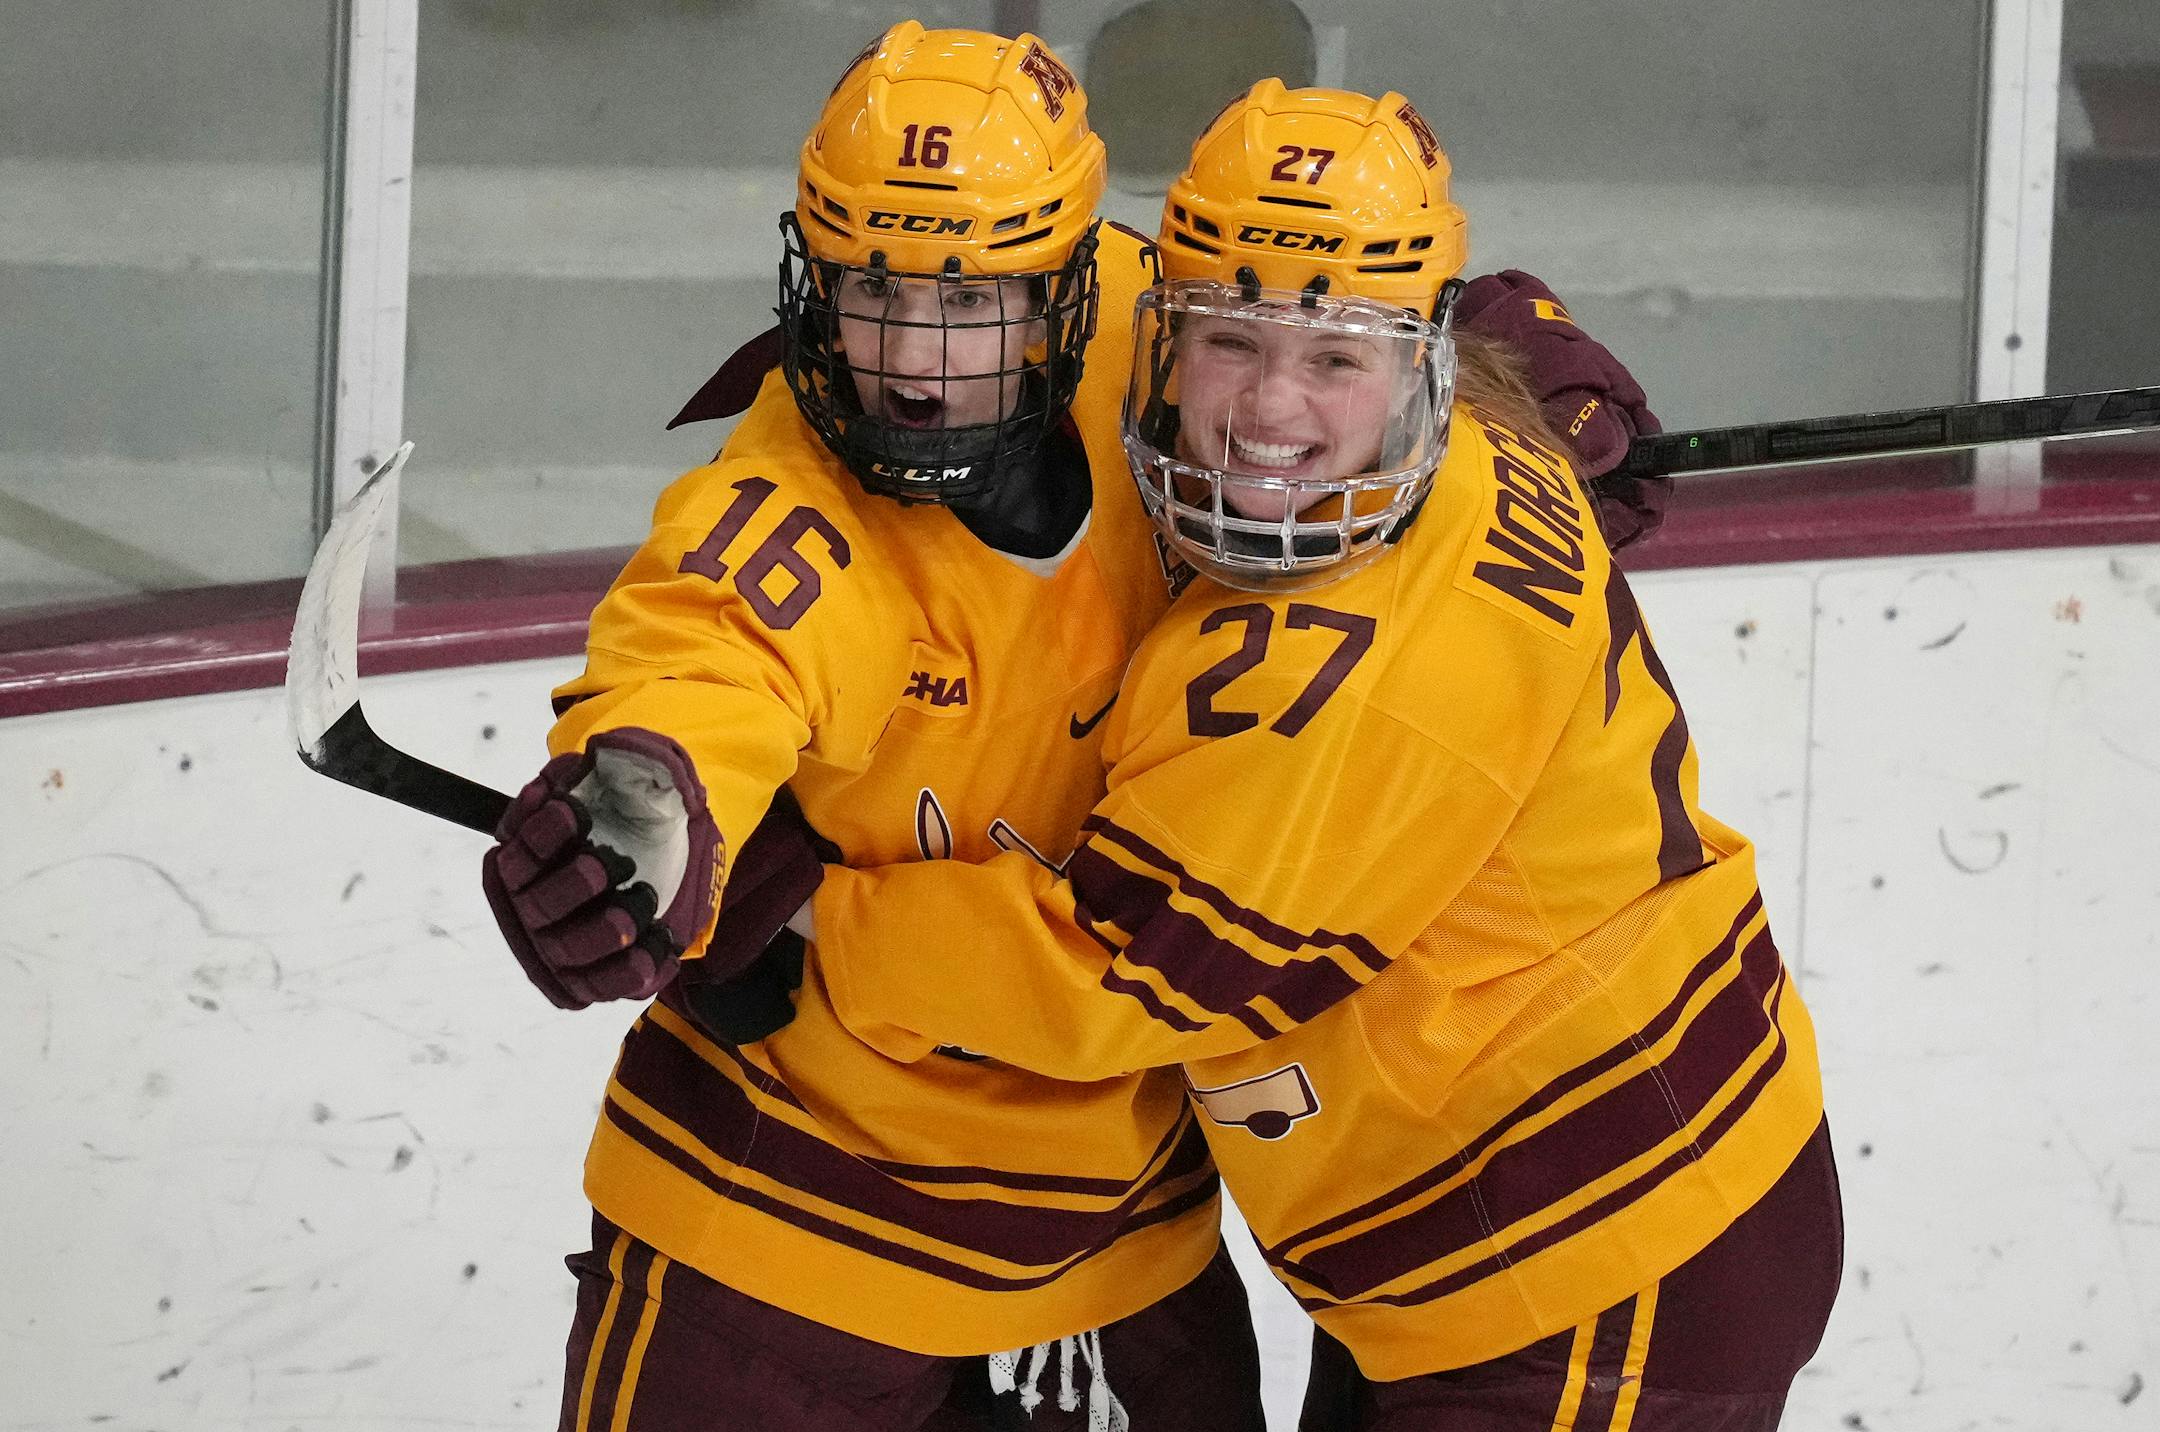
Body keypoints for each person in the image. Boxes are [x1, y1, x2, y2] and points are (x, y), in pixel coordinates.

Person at [482, 25, 1660, 1429]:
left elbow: (1316, 294)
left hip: (1112, 1245)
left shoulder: (1150, 339)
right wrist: (649, 801)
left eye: (970, 301)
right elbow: (706, 649)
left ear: (1068, 284)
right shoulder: (794, 494)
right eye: (870, 289)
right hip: (781, 1229)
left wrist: (1495, 363)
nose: (912, 361)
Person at [763, 81, 1841, 1431]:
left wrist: (809, 911)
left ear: (1416, 359)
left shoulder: (1341, 672)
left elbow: (1119, 974)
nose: (1268, 411)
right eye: (1232, 340)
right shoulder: (1481, 435)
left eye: (1334, 358)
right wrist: (1527, 315)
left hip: (1598, 1267)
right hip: (1503, 1231)